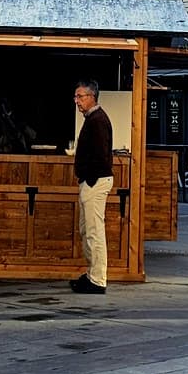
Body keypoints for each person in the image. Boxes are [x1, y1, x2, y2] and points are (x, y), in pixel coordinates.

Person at [71, 79, 113, 294]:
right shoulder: (94, 119)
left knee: (94, 231)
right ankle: (92, 274)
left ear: (92, 96)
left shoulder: (97, 120)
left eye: (81, 96)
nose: (76, 101)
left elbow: (100, 154)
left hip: (95, 182)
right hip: (92, 181)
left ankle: (97, 279)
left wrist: (90, 178)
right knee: (87, 229)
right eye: (76, 96)